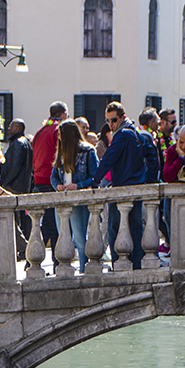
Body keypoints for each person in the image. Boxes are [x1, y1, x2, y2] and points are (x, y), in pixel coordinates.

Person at [89, 102, 149, 269]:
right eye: (107, 121)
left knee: (115, 227)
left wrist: (95, 181)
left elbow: (109, 158)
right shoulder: (136, 133)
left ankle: (118, 264)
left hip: (122, 187)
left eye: (113, 120)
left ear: (122, 117)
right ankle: (136, 265)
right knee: (135, 227)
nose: (110, 124)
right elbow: (150, 157)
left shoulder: (121, 134)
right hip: (136, 186)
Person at [51, 119, 99, 271]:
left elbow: (95, 177)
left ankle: (84, 268)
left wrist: (78, 186)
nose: (58, 137)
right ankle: (66, 267)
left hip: (79, 199)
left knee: (79, 236)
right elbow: (53, 175)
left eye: (60, 134)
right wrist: (57, 185)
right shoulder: (61, 152)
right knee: (63, 235)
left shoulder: (88, 151)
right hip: (63, 199)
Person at [32, 101, 68, 262]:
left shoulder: (40, 131)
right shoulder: (58, 130)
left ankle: (52, 260)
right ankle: (52, 261)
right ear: (64, 114)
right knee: (52, 224)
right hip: (51, 180)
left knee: (48, 222)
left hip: (39, 179)